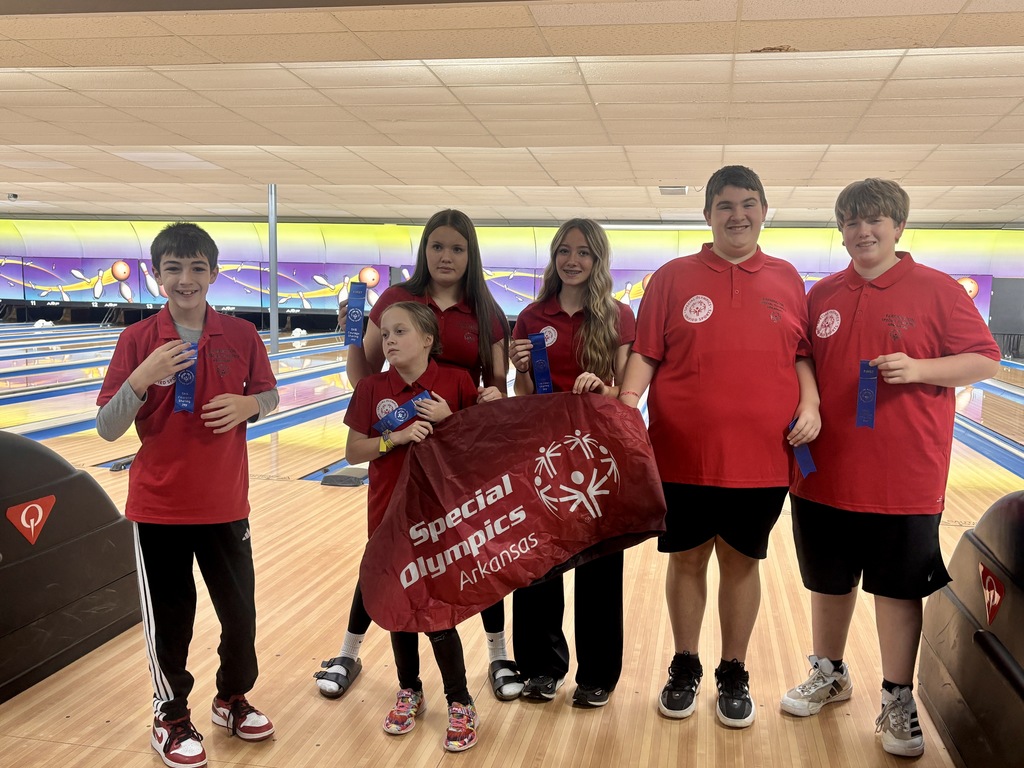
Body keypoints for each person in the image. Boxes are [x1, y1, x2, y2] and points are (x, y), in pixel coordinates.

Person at [779, 179, 1001, 757]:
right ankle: (829, 673)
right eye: (851, 222)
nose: (862, 231)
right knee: (826, 582)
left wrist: (922, 368)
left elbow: (985, 359)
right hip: (822, 472)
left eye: (874, 220)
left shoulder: (938, 290)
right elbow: (801, 358)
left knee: (898, 592)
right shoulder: (823, 292)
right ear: (841, 230)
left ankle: (897, 699)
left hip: (905, 479)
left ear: (899, 226)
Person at [618, 166, 820, 728]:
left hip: (761, 457)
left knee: (741, 561)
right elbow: (648, 352)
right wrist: (627, 401)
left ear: (764, 210)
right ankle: (685, 665)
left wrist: (812, 404)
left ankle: (735, 670)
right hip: (681, 453)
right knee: (686, 559)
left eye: (749, 204)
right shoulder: (672, 276)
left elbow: (802, 354)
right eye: (726, 205)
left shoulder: (786, 278)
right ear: (707, 214)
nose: (738, 215)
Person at [96, 222, 280, 768]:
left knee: (239, 614)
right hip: (159, 507)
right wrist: (142, 377)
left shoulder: (243, 335)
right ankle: (171, 713)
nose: (185, 278)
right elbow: (108, 427)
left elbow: (269, 393)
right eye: (173, 268)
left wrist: (252, 406)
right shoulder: (137, 341)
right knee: (171, 617)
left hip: (226, 503)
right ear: (157, 276)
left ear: (214, 274)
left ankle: (231, 698)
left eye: (197, 267)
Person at [316, 209, 519, 701]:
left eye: (457, 248)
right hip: (399, 455)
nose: (446, 256)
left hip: (457, 455)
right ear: (424, 250)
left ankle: (498, 655)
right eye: (437, 246)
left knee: (476, 553)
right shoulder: (395, 299)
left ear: (470, 254)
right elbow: (364, 374)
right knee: (384, 556)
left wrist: (478, 406)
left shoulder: (486, 311)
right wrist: (350, 337)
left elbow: (495, 389)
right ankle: (348, 650)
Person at [508, 219, 635, 708]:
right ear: (554, 258)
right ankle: (540, 668)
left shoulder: (619, 316)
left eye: (584, 252)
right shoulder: (530, 316)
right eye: (564, 250)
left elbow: (626, 399)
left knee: (599, 570)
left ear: (598, 260)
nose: (573, 260)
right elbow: (524, 397)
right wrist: (521, 370)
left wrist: (601, 389)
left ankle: (598, 674)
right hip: (541, 456)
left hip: (600, 457)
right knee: (539, 565)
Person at [346, 301, 482, 750]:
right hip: (387, 514)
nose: (389, 340)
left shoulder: (457, 383)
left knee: (436, 608)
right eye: (385, 333)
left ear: (427, 339)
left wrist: (450, 420)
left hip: (438, 516)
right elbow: (353, 452)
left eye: (400, 332)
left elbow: (477, 450)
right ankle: (409, 690)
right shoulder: (371, 387)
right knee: (395, 607)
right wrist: (396, 437)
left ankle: (460, 700)